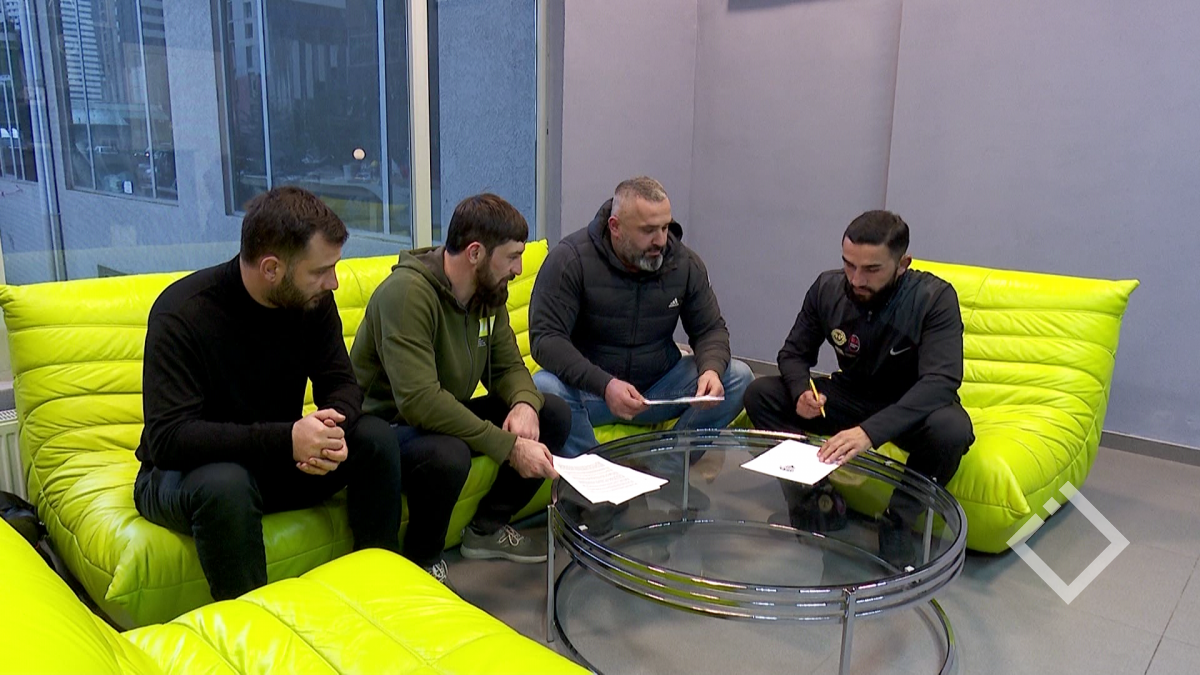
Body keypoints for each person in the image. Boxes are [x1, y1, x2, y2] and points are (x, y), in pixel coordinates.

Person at [134, 186, 405, 601]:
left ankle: (381, 592)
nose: (333, 282)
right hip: (186, 474)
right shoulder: (182, 313)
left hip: (274, 461)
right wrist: (287, 440)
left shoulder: (312, 302)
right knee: (227, 484)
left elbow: (341, 384)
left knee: (375, 438)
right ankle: (252, 626)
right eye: (321, 270)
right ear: (272, 268)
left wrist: (330, 430)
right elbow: (170, 440)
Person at [351, 193, 569, 588]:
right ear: (475, 253)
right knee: (447, 453)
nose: (519, 269)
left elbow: (508, 367)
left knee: (551, 412)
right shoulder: (406, 295)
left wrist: (524, 404)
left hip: (440, 414)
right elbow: (420, 402)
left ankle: (486, 529)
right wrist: (509, 447)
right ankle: (422, 561)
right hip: (385, 431)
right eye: (512, 257)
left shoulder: (488, 295)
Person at [744, 210, 974, 569]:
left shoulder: (934, 298)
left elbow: (940, 382)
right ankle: (815, 497)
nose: (856, 279)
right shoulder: (827, 288)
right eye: (849, 265)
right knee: (761, 395)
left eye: (871, 269)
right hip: (851, 394)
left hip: (909, 404)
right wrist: (801, 390)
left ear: (903, 264)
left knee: (952, 429)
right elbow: (792, 354)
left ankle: (897, 522)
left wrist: (869, 432)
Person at [529, 176, 753, 501]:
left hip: (657, 390)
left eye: (665, 227)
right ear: (615, 227)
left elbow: (710, 330)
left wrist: (711, 370)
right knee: (544, 387)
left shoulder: (684, 264)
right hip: (592, 394)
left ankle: (664, 471)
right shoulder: (571, 260)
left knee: (738, 377)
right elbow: (545, 339)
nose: (660, 240)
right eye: (648, 230)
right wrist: (605, 385)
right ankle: (601, 479)